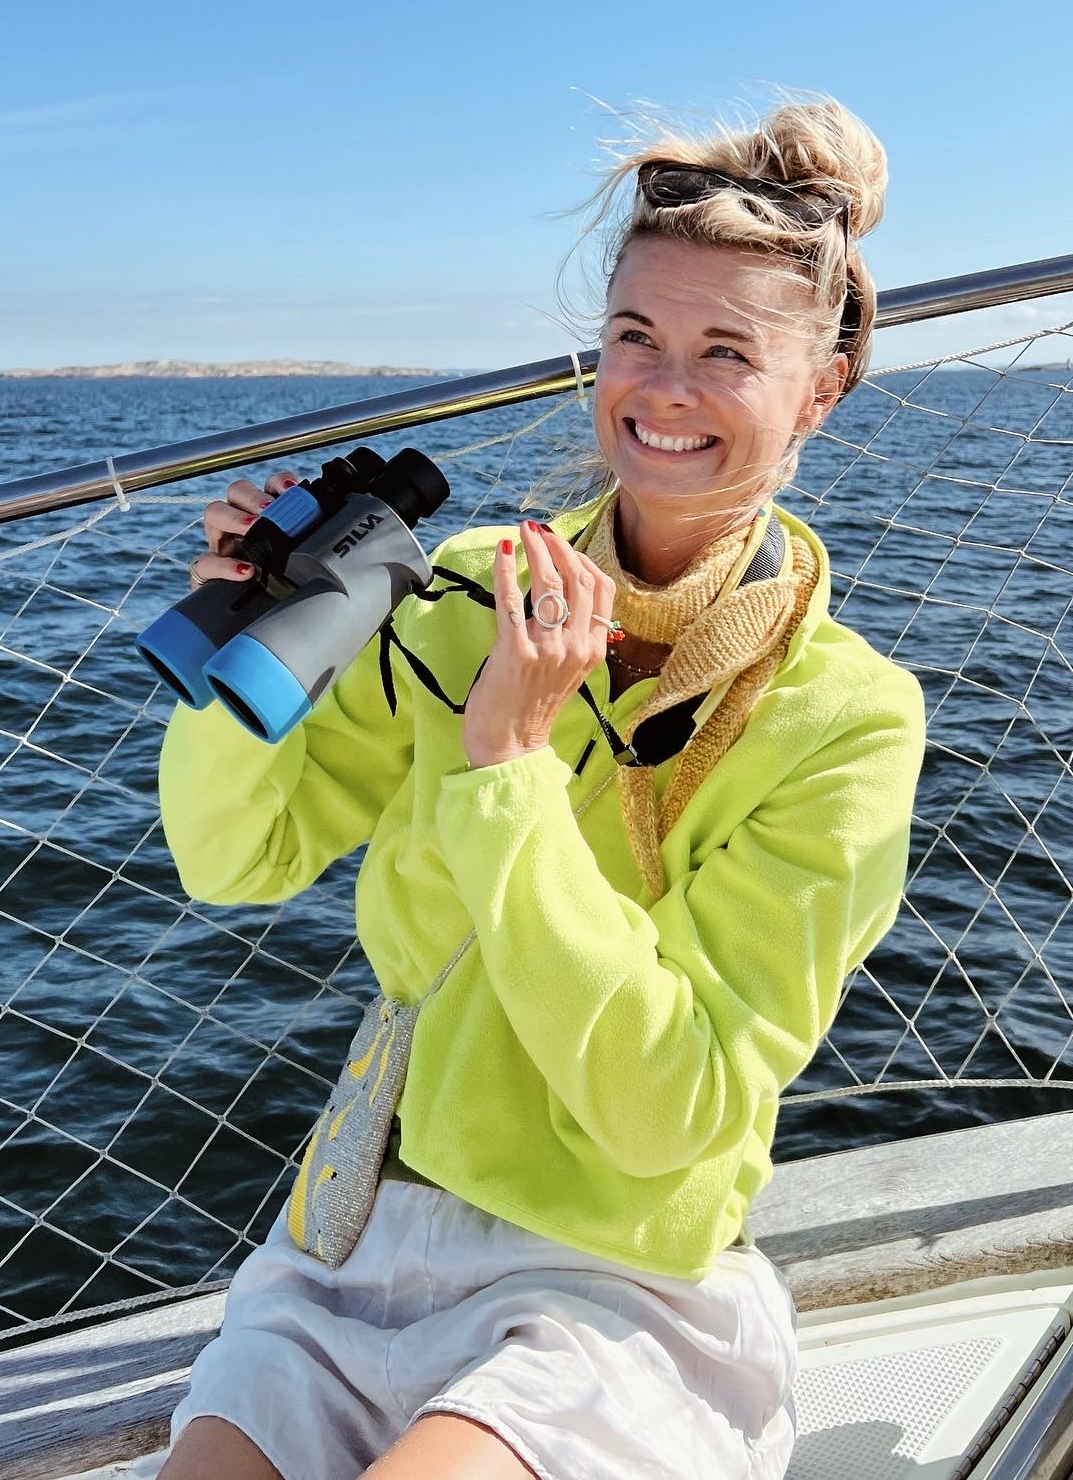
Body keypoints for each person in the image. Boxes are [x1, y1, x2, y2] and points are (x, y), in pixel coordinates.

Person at [155, 97, 925, 1480]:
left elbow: (668, 1110)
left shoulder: (847, 720)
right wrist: (235, 640)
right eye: (636, 336)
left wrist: (506, 764)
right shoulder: (462, 596)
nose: (663, 387)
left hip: (614, 1287)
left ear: (820, 389)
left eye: (727, 353)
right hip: (354, 1245)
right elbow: (235, 857)